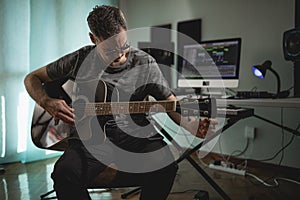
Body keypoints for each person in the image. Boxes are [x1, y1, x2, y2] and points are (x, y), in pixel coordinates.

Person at [24, 5, 214, 200]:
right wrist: (46, 101)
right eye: (110, 50)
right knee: (64, 173)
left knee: (166, 166)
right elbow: (32, 78)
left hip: (136, 138)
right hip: (90, 141)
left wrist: (191, 125)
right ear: (93, 39)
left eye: (124, 46)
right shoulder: (80, 59)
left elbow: (170, 104)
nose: (120, 55)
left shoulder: (145, 63)